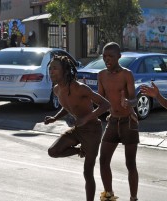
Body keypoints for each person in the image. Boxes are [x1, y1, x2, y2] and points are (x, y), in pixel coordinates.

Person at [44, 55, 110, 201]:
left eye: (55, 68)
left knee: (88, 172)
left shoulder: (80, 88)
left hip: (92, 130)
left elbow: (106, 105)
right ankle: (80, 151)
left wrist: (86, 118)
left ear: (65, 71)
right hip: (78, 130)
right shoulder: (57, 90)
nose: (51, 71)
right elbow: (68, 106)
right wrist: (55, 118)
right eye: (50, 68)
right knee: (53, 151)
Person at [98, 42, 139, 201]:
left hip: (129, 122)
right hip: (113, 122)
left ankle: (133, 198)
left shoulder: (126, 74)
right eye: (104, 56)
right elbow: (101, 101)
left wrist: (129, 102)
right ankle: (108, 195)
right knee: (103, 160)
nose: (107, 59)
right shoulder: (101, 75)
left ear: (119, 57)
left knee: (130, 164)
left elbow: (134, 99)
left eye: (111, 56)